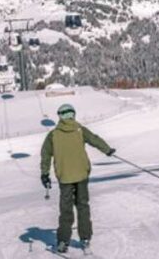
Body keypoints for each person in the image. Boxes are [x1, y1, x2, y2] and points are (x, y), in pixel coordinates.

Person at [41, 103, 115, 255]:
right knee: (82, 206)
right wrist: (107, 149)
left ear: (59, 117)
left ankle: (63, 241)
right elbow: (94, 139)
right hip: (81, 174)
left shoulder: (53, 135)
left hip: (65, 177)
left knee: (66, 209)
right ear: (73, 115)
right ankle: (85, 238)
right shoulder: (80, 130)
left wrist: (44, 173)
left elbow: (45, 154)